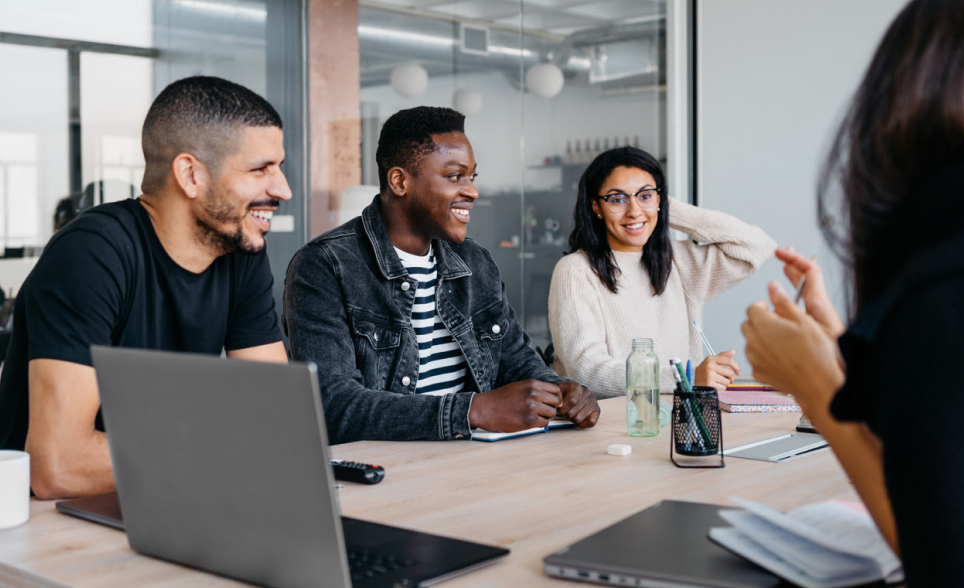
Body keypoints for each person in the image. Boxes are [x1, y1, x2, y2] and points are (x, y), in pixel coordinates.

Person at [742, 1, 964, 585]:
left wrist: (819, 381)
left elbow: (953, 554)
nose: (640, 209)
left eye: (650, 194)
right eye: (619, 197)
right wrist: (845, 350)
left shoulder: (953, 288)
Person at [0, 76, 292, 499]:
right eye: (260, 169)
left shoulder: (240, 253)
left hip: (164, 497)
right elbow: (59, 466)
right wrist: (229, 451)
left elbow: (277, 423)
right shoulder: (91, 254)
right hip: (49, 526)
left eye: (279, 167)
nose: (282, 188)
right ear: (190, 174)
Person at [284, 106, 600, 444]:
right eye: (455, 176)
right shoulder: (324, 266)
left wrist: (559, 391)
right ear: (399, 181)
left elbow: (517, 359)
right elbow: (333, 405)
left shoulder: (475, 262)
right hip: (382, 473)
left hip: (468, 460)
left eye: (472, 177)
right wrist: (472, 411)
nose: (472, 191)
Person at [548, 147, 775, 397]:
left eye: (644, 195)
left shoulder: (678, 262)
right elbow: (586, 371)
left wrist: (664, 207)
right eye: (617, 199)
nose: (634, 210)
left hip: (678, 422)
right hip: (612, 427)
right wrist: (685, 378)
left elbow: (757, 246)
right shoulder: (575, 271)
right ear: (596, 206)